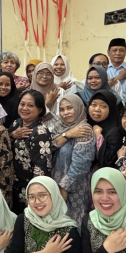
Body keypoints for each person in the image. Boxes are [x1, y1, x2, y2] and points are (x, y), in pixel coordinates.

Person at [48, 94, 95, 222]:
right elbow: (49, 146)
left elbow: (81, 166)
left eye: (69, 108)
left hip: (75, 189)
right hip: (56, 185)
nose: (65, 113)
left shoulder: (84, 130)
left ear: (78, 107)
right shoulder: (60, 127)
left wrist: (63, 188)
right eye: (62, 109)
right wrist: (67, 134)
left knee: (73, 223)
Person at [9, 90, 54, 214]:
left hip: (29, 187)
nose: (25, 108)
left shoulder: (40, 132)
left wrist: (33, 194)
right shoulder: (16, 123)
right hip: (14, 185)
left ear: (40, 109)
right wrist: (12, 135)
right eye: (22, 104)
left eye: (30, 105)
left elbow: (41, 167)